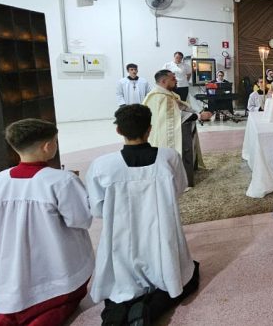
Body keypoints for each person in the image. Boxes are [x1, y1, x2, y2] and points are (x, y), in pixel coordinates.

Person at [85, 105, 199, 325]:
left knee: (120, 288)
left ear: (118, 131)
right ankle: (149, 310)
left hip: (121, 242)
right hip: (162, 235)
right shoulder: (168, 157)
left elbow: (98, 208)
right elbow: (178, 190)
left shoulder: (103, 165)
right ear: (149, 129)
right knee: (185, 278)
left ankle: (115, 315)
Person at [0, 119, 94, 325]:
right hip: (57, 271)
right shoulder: (61, 181)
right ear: (47, 146)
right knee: (54, 307)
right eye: (55, 141)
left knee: (8, 313)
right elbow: (82, 220)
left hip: (11, 273)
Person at [142, 69, 203, 186]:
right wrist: (199, 116)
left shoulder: (161, 95)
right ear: (164, 81)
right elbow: (177, 116)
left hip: (158, 133)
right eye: (173, 78)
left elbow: (180, 108)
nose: (176, 80)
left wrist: (196, 113)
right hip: (164, 134)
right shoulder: (162, 97)